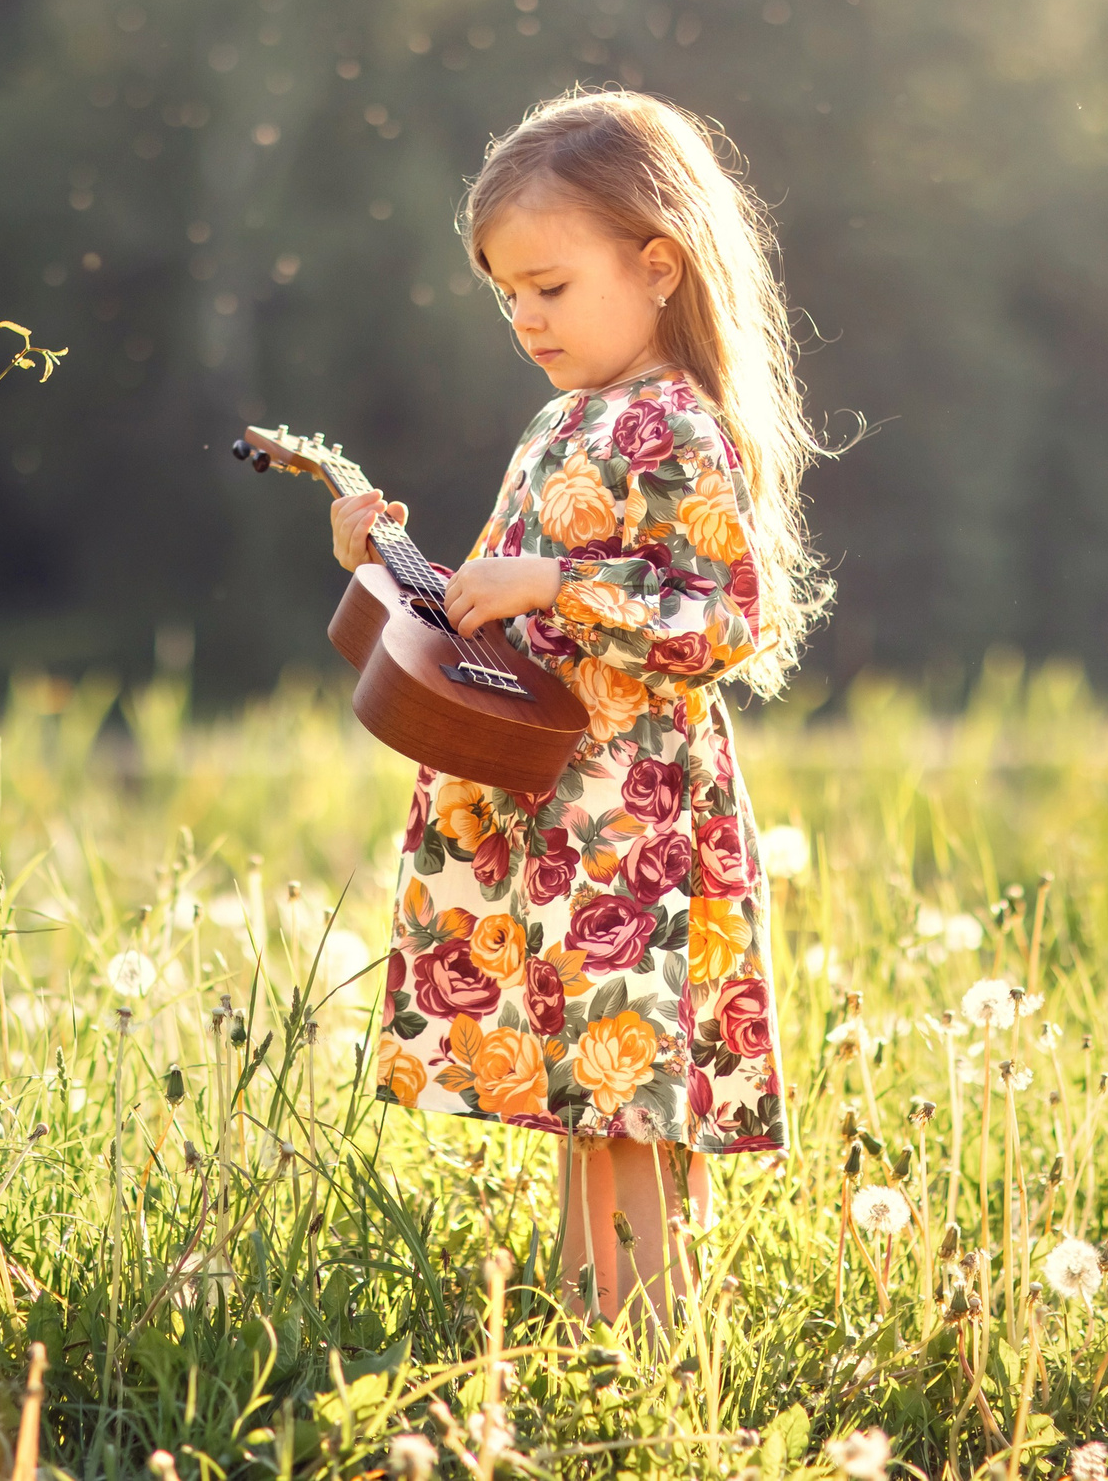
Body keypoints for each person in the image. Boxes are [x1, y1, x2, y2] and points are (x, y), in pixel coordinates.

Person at [329, 89, 834, 1327]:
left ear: (657, 264)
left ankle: (646, 1346)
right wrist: (386, 560)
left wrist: (553, 580)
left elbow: (723, 618)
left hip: (633, 816)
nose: (525, 317)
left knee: (628, 1084)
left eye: (549, 286)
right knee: (585, 1088)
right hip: (561, 810)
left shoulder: (676, 426)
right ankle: (589, 1332)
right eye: (506, 294)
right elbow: (496, 620)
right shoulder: (569, 420)